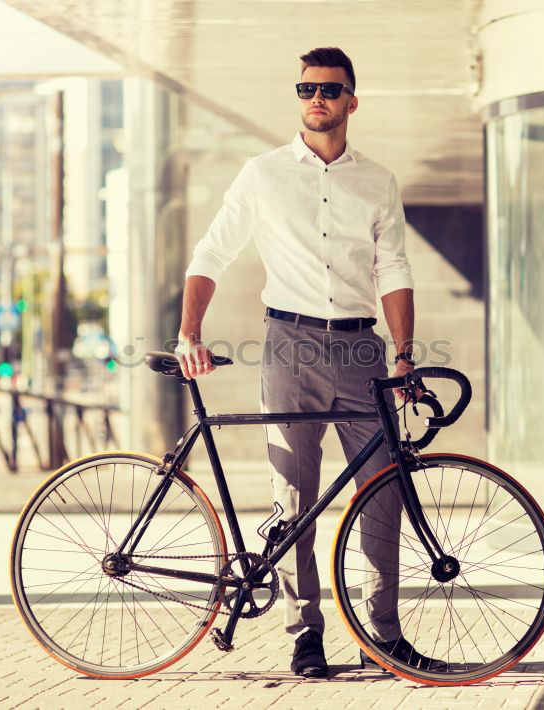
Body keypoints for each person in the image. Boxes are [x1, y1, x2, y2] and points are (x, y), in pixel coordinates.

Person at [175, 47, 433, 678]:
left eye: (329, 89)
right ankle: (305, 635)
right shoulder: (263, 174)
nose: (315, 98)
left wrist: (403, 357)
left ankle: (384, 636)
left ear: (351, 99)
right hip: (288, 347)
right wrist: (189, 332)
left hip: (361, 350)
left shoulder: (377, 181)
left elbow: (393, 268)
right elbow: (212, 252)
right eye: (305, 88)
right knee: (295, 498)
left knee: (382, 490)